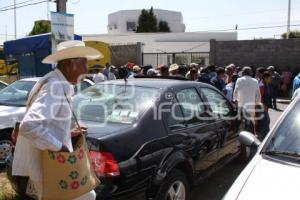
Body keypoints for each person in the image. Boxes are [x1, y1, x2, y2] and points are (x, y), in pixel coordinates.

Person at [12, 40, 102, 200]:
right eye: (84, 64)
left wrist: (67, 132)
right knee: (87, 195)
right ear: (69, 64)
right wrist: (60, 147)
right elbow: (29, 125)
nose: (87, 70)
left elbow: (46, 122)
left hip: (49, 165)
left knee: (87, 194)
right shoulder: (55, 86)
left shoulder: (52, 81)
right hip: (52, 165)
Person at [257, 72, 272, 140]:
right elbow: (259, 98)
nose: (270, 79)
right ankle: (264, 138)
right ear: (265, 78)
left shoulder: (266, 84)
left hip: (265, 107)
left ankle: (265, 137)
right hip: (262, 107)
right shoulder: (262, 86)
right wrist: (263, 106)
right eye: (269, 78)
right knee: (265, 122)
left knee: (266, 122)